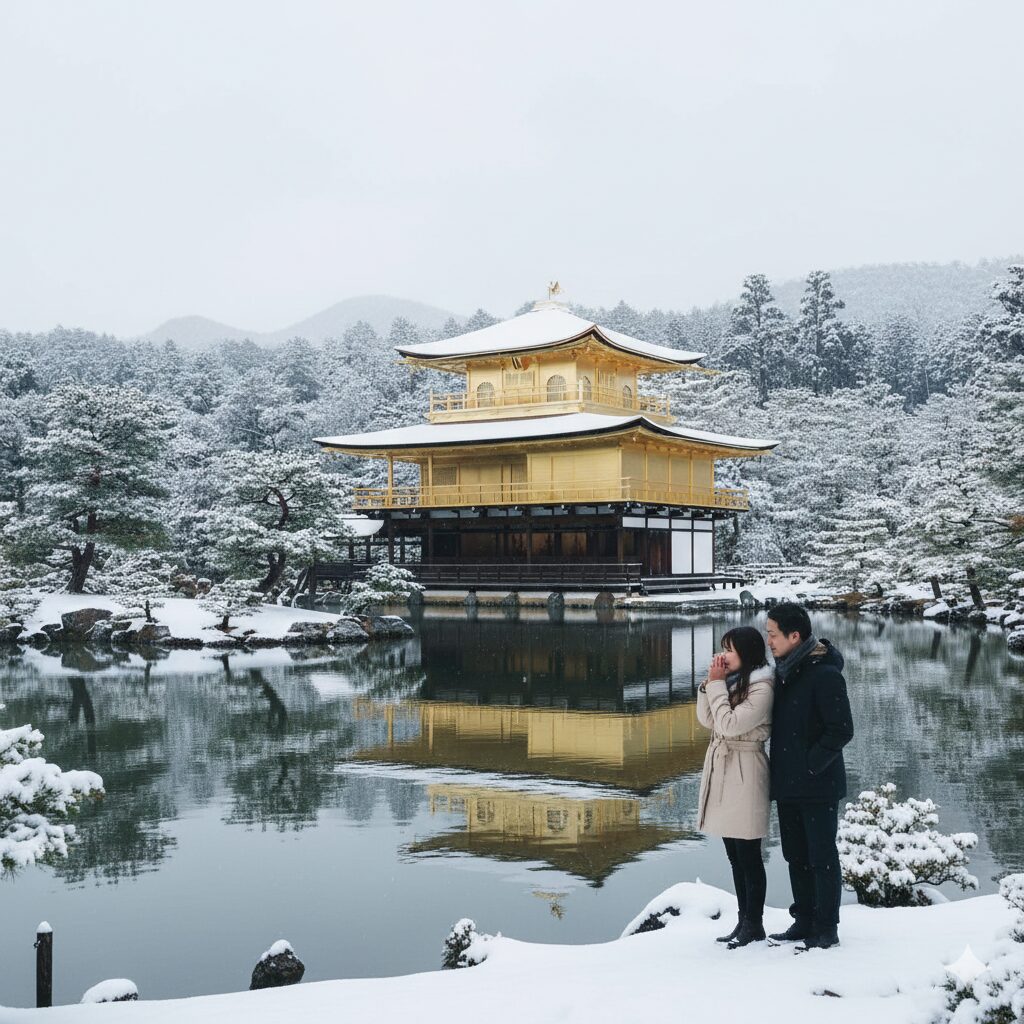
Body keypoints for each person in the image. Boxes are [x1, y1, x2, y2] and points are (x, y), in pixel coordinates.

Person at [765, 602, 854, 951]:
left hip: (817, 784)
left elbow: (841, 730)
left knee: (821, 856)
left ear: (794, 636)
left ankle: (826, 926)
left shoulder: (825, 674)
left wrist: (810, 764)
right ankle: (803, 919)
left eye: (773, 635)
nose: (769, 641)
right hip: (788, 784)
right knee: (795, 855)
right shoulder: (784, 673)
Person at [696, 626, 775, 949]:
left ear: (747, 652)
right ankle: (743, 920)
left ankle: (754, 924)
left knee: (749, 854)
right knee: (734, 854)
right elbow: (709, 721)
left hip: (746, 769)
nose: (723, 656)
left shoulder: (763, 687)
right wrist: (708, 686)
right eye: (723, 649)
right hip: (725, 767)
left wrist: (715, 686)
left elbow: (729, 724)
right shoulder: (731, 683)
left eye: (730, 649)